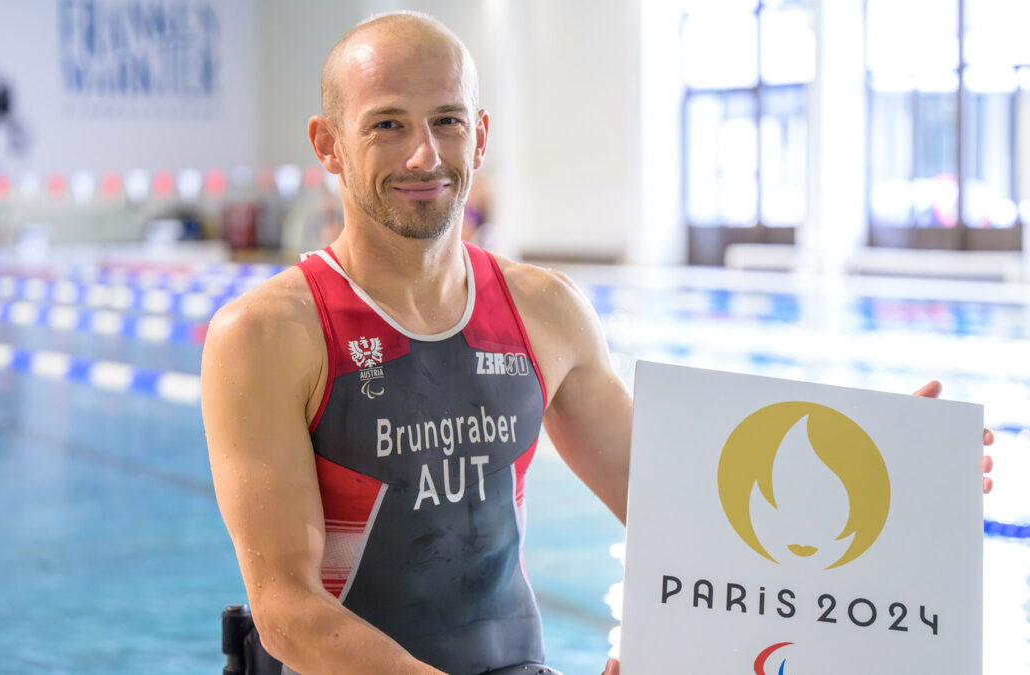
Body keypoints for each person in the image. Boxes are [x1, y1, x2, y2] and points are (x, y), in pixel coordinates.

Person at [200, 12, 993, 675]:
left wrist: (891, 469)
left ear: (478, 136)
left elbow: (683, 512)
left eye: (446, 121)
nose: (424, 155)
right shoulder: (269, 336)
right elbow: (290, 614)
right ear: (328, 143)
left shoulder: (544, 311)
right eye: (387, 125)